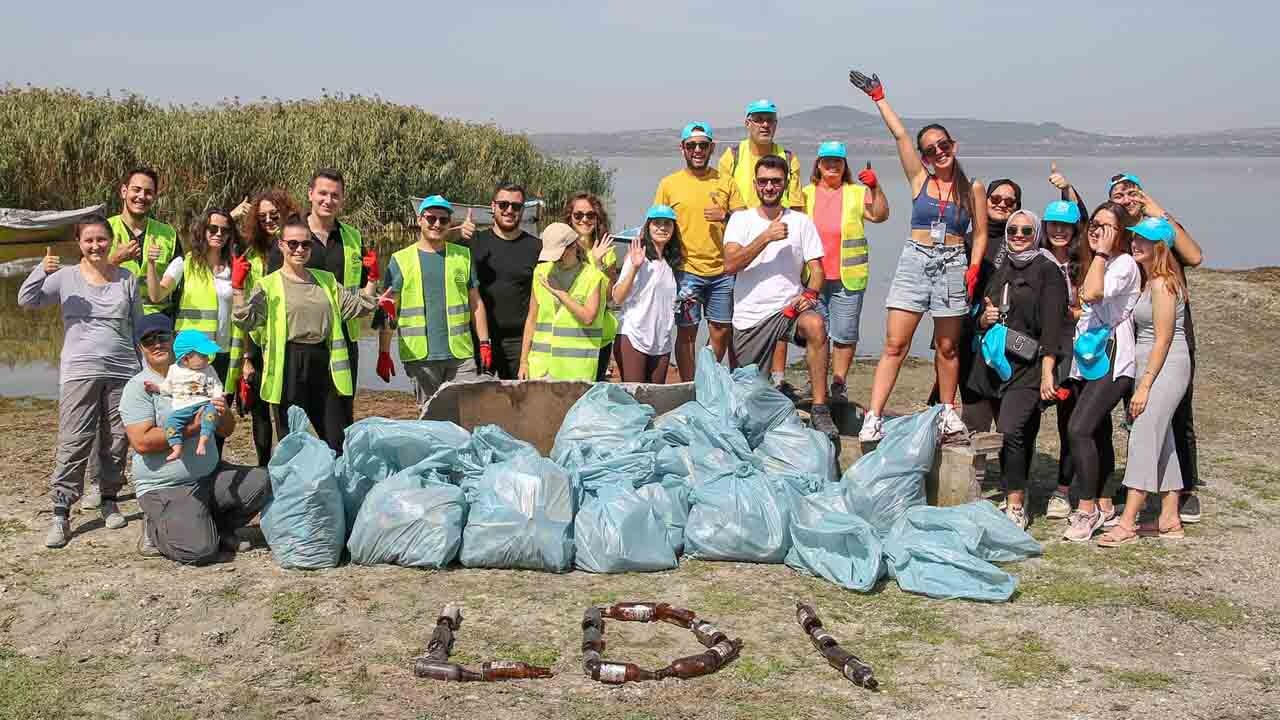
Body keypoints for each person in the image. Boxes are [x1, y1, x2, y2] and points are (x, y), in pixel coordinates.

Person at [848, 70, 987, 442]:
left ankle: (946, 413)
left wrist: (973, 268)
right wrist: (879, 97)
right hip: (915, 259)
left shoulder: (972, 187)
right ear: (924, 157)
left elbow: (983, 232)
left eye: (943, 145)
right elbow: (900, 135)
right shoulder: (919, 180)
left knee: (947, 346)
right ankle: (874, 416)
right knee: (895, 343)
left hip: (953, 262)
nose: (938, 152)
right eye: (930, 150)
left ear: (953, 145)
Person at [19, 215, 141, 547]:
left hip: (123, 370)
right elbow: (26, 300)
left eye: (102, 239)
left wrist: (144, 372)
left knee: (116, 440)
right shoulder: (65, 277)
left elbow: (138, 326)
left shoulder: (127, 279)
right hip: (79, 371)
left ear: (110, 241)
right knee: (74, 440)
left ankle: (109, 498)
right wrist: (40, 270)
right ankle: (61, 512)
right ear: (79, 243)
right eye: (89, 240)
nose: (96, 246)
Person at [120, 314, 271, 563]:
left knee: (263, 481)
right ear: (141, 348)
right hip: (166, 487)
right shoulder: (139, 387)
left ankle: (215, 527)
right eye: (148, 341)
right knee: (200, 551)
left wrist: (221, 413)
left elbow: (227, 429)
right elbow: (142, 442)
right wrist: (193, 427)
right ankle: (155, 528)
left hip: (209, 476)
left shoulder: (203, 372)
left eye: (163, 337)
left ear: (174, 340)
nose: (157, 344)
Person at [234, 219, 380, 454]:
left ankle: (336, 485)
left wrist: (372, 279)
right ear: (281, 246)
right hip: (288, 366)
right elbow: (246, 321)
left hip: (323, 364)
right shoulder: (267, 285)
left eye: (305, 244)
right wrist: (238, 289)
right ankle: (292, 487)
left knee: (336, 439)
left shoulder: (326, 281)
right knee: (292, 441)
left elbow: (358, 308)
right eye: (292, 244)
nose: (300, 250)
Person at [1108, 173, 1205, 525]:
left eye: (1131, 191)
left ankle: (1175, 495)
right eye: (1117, 193)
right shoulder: (1128, 240)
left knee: (1169, 420)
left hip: (1169, 342)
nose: (1125, 198)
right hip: (1139, 344)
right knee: (1146, 421)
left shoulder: (1159, 231)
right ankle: (1168, 511)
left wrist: (1156, 209)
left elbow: (1194, 256)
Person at [724, 155, 837, 437]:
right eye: (763, 181)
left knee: (816, 325)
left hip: (790, 310)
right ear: (755, 184)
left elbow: (817, 269)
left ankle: (820, 409)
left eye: (776, 181)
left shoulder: (800, 222)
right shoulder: (741, 220)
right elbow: (730, 264)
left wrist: (810, 293)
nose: (770, 187)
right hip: (750, 318)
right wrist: (765, 237)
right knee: (748, 397)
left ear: (785, 184)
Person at [969, 209, 1068, 529]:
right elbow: (982, 310)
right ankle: (1019, 491)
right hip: (999, 362)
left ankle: (1015, 505)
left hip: (1031, 364)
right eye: (1013, 230)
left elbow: (1053, 326)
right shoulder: (1003, 266)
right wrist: (984, 319)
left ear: (1036, 234)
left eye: (1027, 231)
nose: (1019, 236)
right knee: (1019, 433)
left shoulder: (1047, 270)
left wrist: (1047, 372)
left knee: (1010, 428)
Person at [1098, 217, 1190, 546]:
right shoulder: (1150, 280)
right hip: (1150, 365)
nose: (1135, 243)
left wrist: (1146, 385)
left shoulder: (1164, 282)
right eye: (1134, 238)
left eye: (1144, 241)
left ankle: (1126, 522)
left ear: (1160, 246)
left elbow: (1163, 339)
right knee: (1161, 441)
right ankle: (1169, 518)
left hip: (1163, 367)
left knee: (1142, 439)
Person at [268, 169, 377, 422]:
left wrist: (373, 278)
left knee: (340, 420)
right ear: (310, 194)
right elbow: (272, 290)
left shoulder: (352, 238)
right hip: (297, 344)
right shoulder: (292, 236)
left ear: (343, 199)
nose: (328, 200)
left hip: (342, 342)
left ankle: (338, 460)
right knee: (293, 421)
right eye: (323, 193)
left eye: (335, 195)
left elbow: (361, 293)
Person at [1062, 202, 1141, 543]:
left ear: (1120, 234)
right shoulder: (1101, 261)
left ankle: (1088, 508)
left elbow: (1093, 292)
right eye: (1094, 224)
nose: (1097, 231)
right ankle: (1105, 504)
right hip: (1089, 357)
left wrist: (1102, 253)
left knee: (1078, 428)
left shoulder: (1122, 263)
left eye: (1107, 227)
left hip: (1114, 359)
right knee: (1096, 432)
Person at [717, 100, 805, 390]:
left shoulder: (788, 156)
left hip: (779, 239)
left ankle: (776, 381)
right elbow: (721, 198)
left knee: (779, 312)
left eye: (770, 120)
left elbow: (797, 206)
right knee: (733, 320)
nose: (764, 125)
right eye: (759, 119)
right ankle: (735, 378)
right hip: (741, 243)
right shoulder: (732, 155)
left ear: (776, 124)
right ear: (748, 122)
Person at [376, 196, 491, 414]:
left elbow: (476, 303)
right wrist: (383, 352)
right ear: (420, 220)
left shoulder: (463, 256)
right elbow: (388, 310)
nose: (436, 224)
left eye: (443, 220)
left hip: (461, 356)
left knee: (467, 414)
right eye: (431, 218)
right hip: (421, 358)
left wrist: (484, 343)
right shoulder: (400, 260)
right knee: (430, 417)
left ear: (449, 223)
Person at [653, 122, 745, 380]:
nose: (697, 150)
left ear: (711, 148)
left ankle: (704, 380)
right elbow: (655, 225)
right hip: (685, 271)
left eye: (703, 145)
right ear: (682, 149)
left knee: (721, 330)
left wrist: (725, 215)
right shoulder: (669, 184)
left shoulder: (726, 181)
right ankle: (688, 385)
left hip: (722, 272)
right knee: (686, 333)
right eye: (691, 145)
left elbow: (745, 222)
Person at [930, 179, 1024, 430]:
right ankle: (975, 468)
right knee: (974, 416)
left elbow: (1073, 232)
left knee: (1009, 420)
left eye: (1009, 201)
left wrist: (1066, 190)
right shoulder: (964, 241)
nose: (1002, 204)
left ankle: (1010, 467)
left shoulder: (1021, 241)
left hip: (1006, 337)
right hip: (968, 334)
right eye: (995, 199)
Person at [800, 141, 889, 402]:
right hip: (812, 278)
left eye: (837, 161)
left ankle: (838, 383)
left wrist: (875, 186)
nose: (831, 165)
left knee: (845, 334)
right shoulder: (805, 193)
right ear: (818, 164)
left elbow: (881, 215)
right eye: (827, 160)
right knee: (816, 334)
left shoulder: (856, 192)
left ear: (844, 165)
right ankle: (814, 383)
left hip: (848, 277)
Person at [230, 189, 301, 465]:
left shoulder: (299, 250)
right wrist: (247, 358)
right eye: (262, 217)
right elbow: (245, 309)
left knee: (286, 409)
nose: (269, 220)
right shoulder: (251, 255)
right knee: (259, 411)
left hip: (288, 342)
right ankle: (263, 467)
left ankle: (289, 466)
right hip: (259, 343)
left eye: (275, 214)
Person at [145, 209, 241, 395]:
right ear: (202, 231)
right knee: (191, 408)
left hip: (225, 352)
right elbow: (156, 295)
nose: (219, 234)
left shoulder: (234, 267)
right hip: (193, 353)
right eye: (213, 229)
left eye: (225, 230)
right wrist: (150, 264)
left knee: (219, 411)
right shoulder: (184, 263)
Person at [1040, 197, 1091, 521]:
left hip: (1072, 349)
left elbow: (1088, 307)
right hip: (1039, 346)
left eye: (1066, 225)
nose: (1059, 230)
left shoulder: (1084, 263)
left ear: (1075, 230)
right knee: (1027, 416)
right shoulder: (1035, 258)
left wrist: (1070, 311)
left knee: (1069, 421)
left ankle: (1063, 488)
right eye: (1053, 224)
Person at [519, 223, 611, 381]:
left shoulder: (592, 276)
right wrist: (523, 362)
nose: (556, 260)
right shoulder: (541, 272)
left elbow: (588, 317)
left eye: (559, 254)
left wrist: (560, 293)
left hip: (576, 371)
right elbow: (532, 319)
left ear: (573, 246)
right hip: (541, 368)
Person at [470, 184, 543, 379]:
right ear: (492, 206)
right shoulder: (473, 242)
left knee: (518, 402)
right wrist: (455, 232)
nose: (509, 210)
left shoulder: (536, 247)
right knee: (478, 402)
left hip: (519, 342)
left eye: (516, 206)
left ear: (522, 210)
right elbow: (433, 244)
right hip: (480, 339)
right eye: (503, 205)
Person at [612, 205, 682, 383]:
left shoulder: (672, 263)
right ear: (648, 227)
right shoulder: (637, 257)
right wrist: (635, 267)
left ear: (674, 229)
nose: (662, 228)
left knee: (655, 400)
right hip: (634, 336)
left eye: (667, 224)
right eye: (656, 223)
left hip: (661, 342)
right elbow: (617, 298)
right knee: (634, 400)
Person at [106, 166, 180, 316]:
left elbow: (177, 287)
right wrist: (114, 259)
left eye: (148, 192)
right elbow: (84, 277)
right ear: (124, 191)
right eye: (136, 189)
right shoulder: (103, 230)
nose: (141, 196)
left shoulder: (169, 235)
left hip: (155, 323)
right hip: (112, 316)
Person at [143, 330, 224, 460]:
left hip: (205, 403)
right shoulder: (174, 370)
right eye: (203, 356)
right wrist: (156, 387)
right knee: (171, 423)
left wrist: (217, 397)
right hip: (183, 407)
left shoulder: (209, 369)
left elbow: (217, 384)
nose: (208, 359)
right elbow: (168, 387)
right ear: (186, 359)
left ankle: (202, 442)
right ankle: (176, 447)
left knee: (210, 416)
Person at [563, 192, 619, 380]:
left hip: (599, 336)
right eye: (578, 215)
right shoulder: (560, 250)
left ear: (597, 218)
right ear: (569, 218)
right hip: (569, 335)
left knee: (594, 393)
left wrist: (599, 263)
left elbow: (611, 295)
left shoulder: (607, 250)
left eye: (590, 215)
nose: (584, 220)